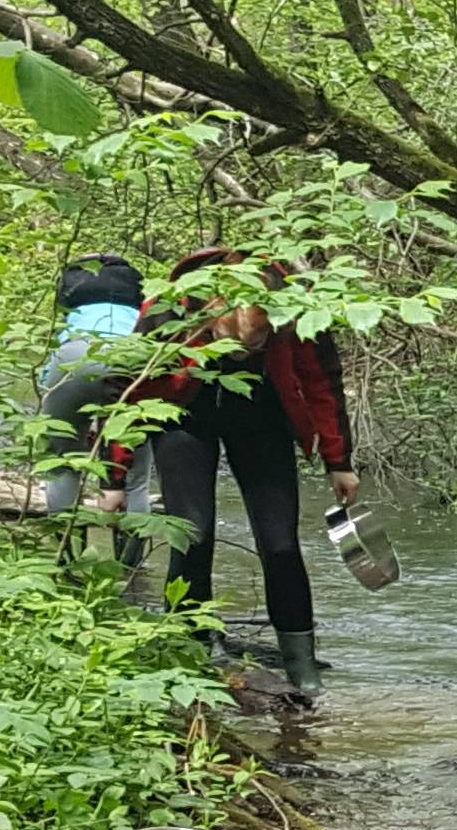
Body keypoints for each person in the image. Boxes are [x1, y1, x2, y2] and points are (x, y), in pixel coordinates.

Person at [131, 244, 357, 704]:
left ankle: (301, 659)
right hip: (184, 416)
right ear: (210, 322)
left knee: (280, 542)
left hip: (262, 414)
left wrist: (339, 462)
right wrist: (114, 479)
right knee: (191, 532)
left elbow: (322, 382)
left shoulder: (295, 308)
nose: (243, 355)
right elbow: (132, 388)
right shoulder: (170, 308)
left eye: (255, 346)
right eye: (235, 347)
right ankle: (192, 644)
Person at [29, 253, 146, 518]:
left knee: (62, 464)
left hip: (73, 355)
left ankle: (66, 553)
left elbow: (55, 344)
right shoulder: (137, 288)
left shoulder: (70, 286)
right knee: (135, 477)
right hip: (131, 357)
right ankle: (132, 558)